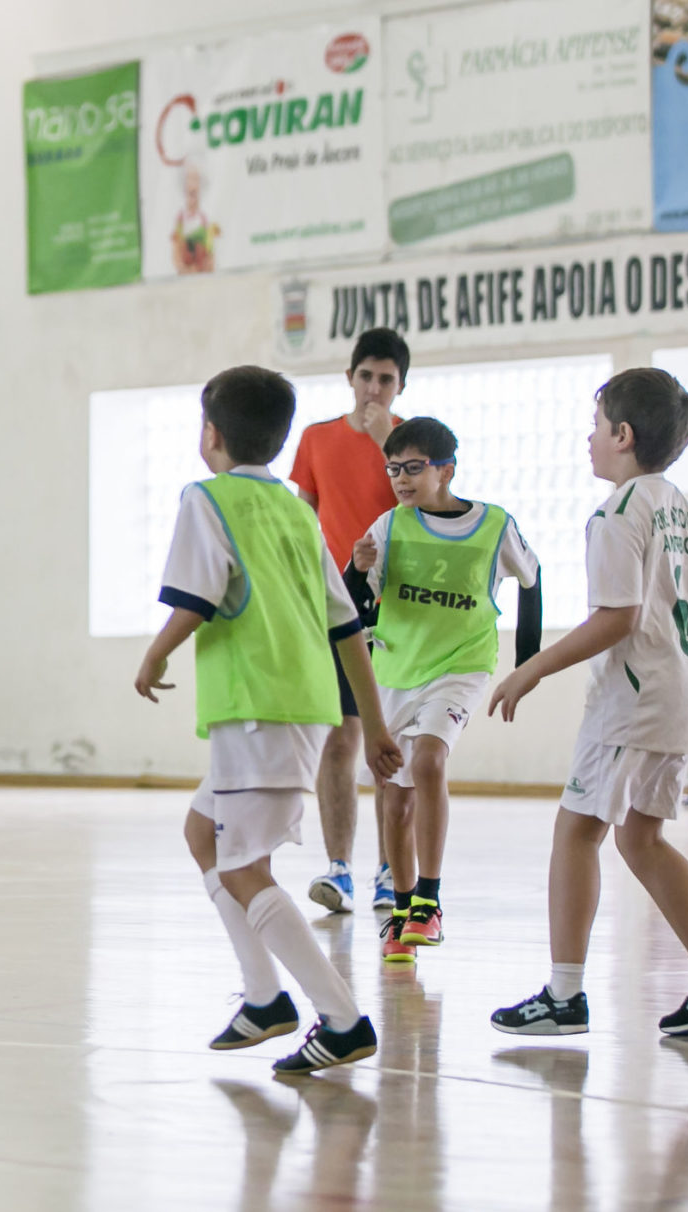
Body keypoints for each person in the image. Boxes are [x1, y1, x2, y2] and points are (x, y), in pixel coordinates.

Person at [132, 365, 401, 1074]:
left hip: (261, 709)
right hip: (295, 706)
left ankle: (341, 1020)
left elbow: (195, 596)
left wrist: (156, 654)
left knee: (246, 867)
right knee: (203, 836)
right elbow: (348, 627)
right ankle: (263, 998)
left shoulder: (206, 499)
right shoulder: (295, 509)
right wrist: (372, 725)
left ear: (210, 434)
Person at [487, 368, 688, 1037]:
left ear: (623, 435)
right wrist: (683, 663)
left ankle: (564, 994)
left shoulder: (616, 513)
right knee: (641, 836)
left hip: (632, 704)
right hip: (684, 699)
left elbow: (616, 618)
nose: (589, 437)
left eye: (597, 423)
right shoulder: (683, 510)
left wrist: (532, 670)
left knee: (577, 829)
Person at [346, 418, 543, 964]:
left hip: (462, 665)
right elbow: (353, 607)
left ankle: (429, 901)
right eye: (393, 470)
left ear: (446, 469)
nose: (401, 480)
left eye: (412, 468)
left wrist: (526, 665)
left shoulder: (495, 525)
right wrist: (357, 571)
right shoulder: (388, 527)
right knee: (396, 797)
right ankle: (403, 908)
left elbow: (532, 579)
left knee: (429, 761)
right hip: (397, 669)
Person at [291, 327, 412, 915]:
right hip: (337, 605)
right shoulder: (315, 439)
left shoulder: (411, 444)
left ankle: (392, 872)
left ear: (400, 386)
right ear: (349, 377)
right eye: (366, 375)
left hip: (402, 611)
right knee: (339, 739)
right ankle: (338, 869)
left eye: (386, 379)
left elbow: (429, 509)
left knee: (389, 746)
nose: (373, 388)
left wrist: (389, 442)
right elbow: (301, 518)